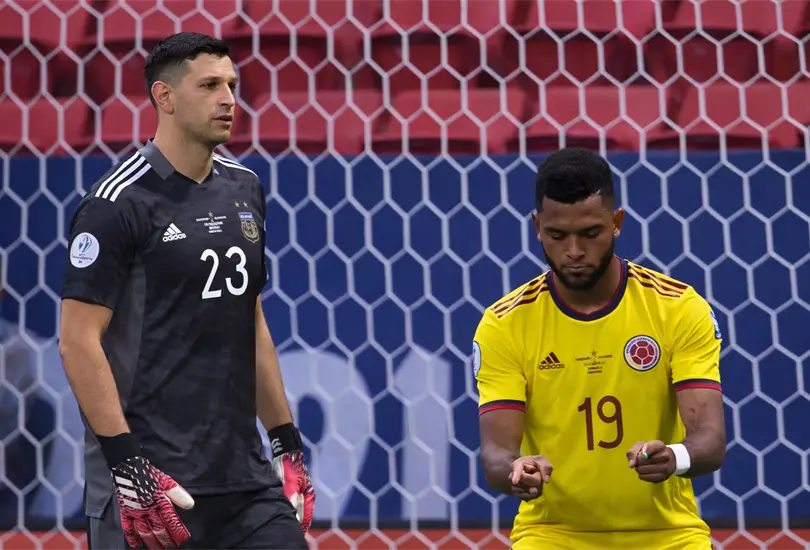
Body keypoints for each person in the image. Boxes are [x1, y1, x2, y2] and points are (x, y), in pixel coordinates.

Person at [58, 32, 314, 549]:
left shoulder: (245, 187)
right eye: (210, 85)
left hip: (245, 482)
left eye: (232, 85)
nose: (228, 99)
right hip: (152, 484)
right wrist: (127, 464)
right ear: (165, 97)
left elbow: (250, 320)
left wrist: (286, 441)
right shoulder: (116, 202)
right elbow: (77, 341)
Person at [473, 147, 727, 550]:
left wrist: (674, 456)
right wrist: (517, 469)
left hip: (667, 535)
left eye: (591, 233)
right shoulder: (504, 323)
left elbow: (710, 439)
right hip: (552, 535)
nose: (574, 250)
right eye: (557, 235)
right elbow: (495, 454)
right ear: (537, 226)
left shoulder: (678, 308)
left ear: (617, 222)